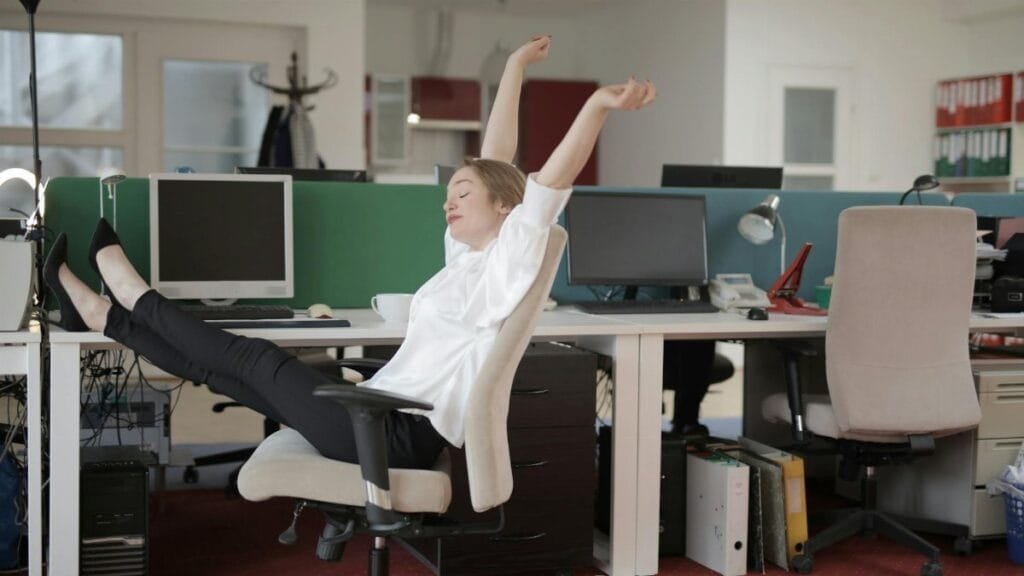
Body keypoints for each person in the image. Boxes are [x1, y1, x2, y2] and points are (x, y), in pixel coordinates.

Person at [43, 35, 656, 471]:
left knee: (255, 359)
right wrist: (516, 66)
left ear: (503, 209)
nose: (448, 201)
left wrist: (596, 107)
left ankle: (134, 295)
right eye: (448, 193)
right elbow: (493, 159)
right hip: (381, 410)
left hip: (395, 434)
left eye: (461, 193)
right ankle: (108, 316)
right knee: (218, 370)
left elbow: (544, 185)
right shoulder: (466, 257)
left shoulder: (512, 258)